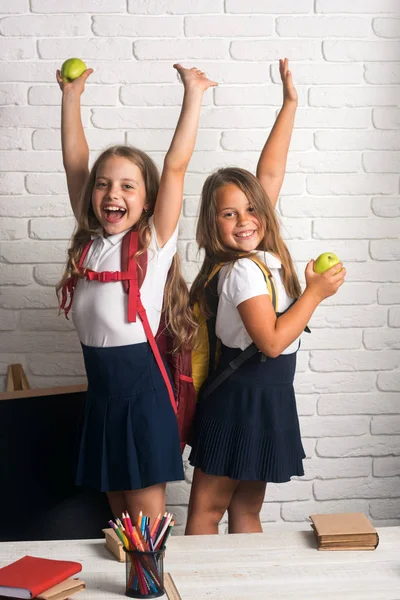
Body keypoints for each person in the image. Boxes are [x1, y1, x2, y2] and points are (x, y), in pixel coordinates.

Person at [186, 59, 346, 535]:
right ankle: (201, 586)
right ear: (212, 224)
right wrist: (315, 293)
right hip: (241, 395)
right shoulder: (241, 272)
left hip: (268, 394)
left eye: (251, 210)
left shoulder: (266, 253)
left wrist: (289, 103)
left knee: (247, 512)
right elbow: (273, 341)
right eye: (228, 215)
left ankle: (242, 586)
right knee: (208, 511)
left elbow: (269, 172)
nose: (245, 220)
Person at [56, 63, 216, 525]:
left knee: (145, 527)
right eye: (103, 184)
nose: (112, 193)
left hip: (141, 397)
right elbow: (74, 165)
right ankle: (133, 588)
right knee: (120, 524)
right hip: (102, 396)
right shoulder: (90, 242)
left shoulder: (151, 244)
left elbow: (176, 166)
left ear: (147, 201)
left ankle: (150, 592)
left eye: (128, 185)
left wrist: (193, 94)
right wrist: (71, 97)